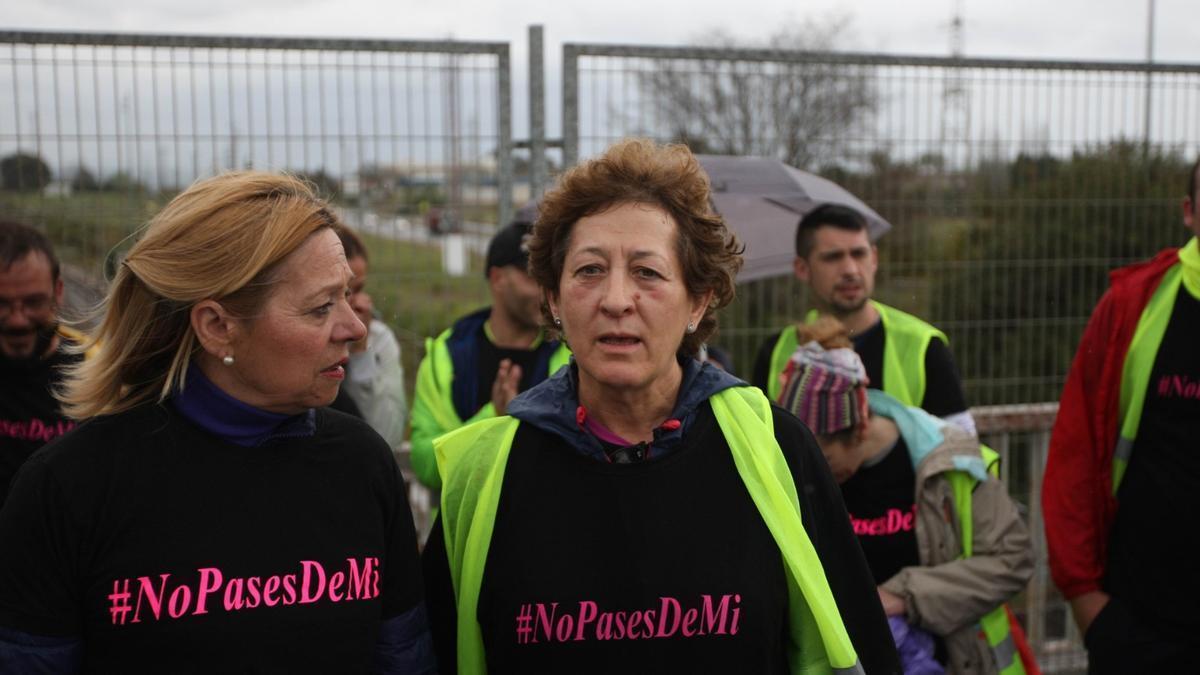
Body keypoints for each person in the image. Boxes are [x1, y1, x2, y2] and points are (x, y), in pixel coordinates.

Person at [422, 139, 900, 674]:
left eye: (648, 272)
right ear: (553, 300)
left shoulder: (775, 449)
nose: (617, 299)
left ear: (698, 301)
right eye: (589, 270)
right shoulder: (481, 474)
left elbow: (861, 649)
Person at [0, 172, 435, 673]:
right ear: (217, 327)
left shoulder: (362, 464)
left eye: (347, 297)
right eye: (320, 308)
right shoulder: (69, 488)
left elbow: (404, 657)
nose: (355, 328)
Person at [778, 317, 1035, 675]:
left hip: (951, 660)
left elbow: (1012, 560)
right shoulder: (794, 465)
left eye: (827, 461)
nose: (817, 476)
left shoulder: (947, 461)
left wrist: (901, 596)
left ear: (861, 426)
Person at [1042, 158, 1200, 672]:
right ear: (1189, 213)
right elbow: (1075, 452)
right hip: (1139, 623)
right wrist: (1087, 601)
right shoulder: (1134, 304)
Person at [752, 204, 975, 435]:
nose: (850, 270)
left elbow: (962, 451)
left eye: (859, 254)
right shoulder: (775, 352)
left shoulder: (923, 346)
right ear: (802, 268)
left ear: (874, 258)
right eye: (833, 257)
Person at [409, 217, 570, 489]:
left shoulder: (570, 355)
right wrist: (493, 418)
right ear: (497, 279)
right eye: (532, 277)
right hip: (468, 531)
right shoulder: (446, 357)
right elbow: (426, 464)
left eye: (549, 279)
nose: (545, 293)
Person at [0, 221, 95, 507]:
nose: (18, 319)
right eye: (1, 304)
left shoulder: (97, 372)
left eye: (33, 303)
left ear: (58, 291)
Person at [333, 223, 409, 449]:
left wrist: (360, 353)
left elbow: (388, 436)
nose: (358, 303)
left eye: (359, 289)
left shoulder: (378, 338)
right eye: (345, 292)